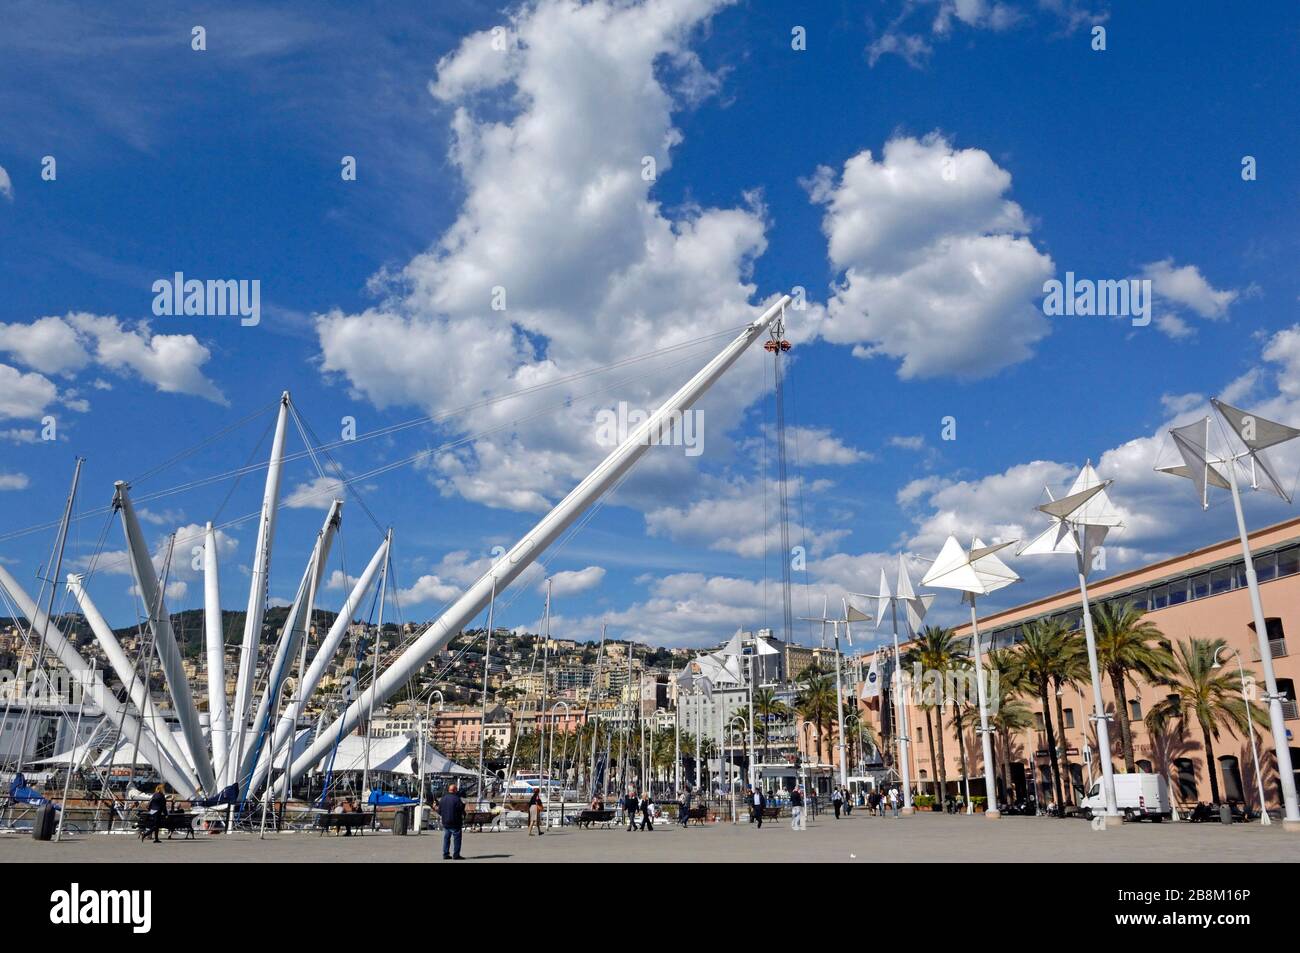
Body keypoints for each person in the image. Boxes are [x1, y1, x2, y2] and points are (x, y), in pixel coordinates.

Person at [438, 783, 466, 860]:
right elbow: (460, 810)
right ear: (455, 790)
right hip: (455, 821)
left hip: (446, 822)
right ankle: (456, 854)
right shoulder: (457, 799)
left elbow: (439, 811)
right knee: (457, 838)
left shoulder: (443, 798)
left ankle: (445, 854)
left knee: (446, 838)